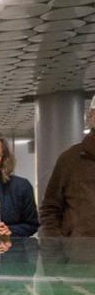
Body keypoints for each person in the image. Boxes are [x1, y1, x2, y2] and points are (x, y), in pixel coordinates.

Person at [40, 96, 95, 237]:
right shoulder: (70, 159)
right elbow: (50, 209)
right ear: (91, 117)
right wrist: (56, 251)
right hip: (81, 255)